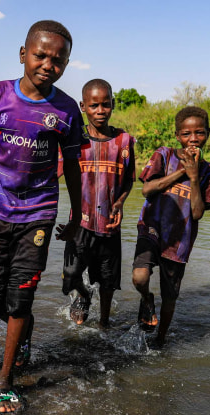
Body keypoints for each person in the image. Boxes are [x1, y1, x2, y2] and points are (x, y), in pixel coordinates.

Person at [0, 20, 83, 413]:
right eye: (41, 55)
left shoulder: (65, 110)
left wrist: (77, 214)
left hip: (39, 213)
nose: (48, 65)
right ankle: (21, 329)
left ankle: (5, 379)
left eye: (58, 60)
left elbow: (73, 167)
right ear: (23, 53)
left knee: (20, 296)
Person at [132, 106, 210, 346]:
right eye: (186, 134)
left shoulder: (209, 172)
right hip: (152, 227)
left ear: (208, 134)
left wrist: (193, 177)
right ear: (177, 135)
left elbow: (197, 213)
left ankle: (160, 341)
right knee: (140, 277)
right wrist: (182, 170)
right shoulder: (164, 155)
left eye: (200, 133)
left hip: (179, 241)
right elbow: (147, 190)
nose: (193, 139)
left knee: (170, 297)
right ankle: (147, 299)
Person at [60, 79, 136, 328]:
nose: (100, 111)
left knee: (108, 280)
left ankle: (104, 323)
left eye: (105, 104)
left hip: (109, 224)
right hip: (79, 224)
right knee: (70, 276)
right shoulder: (74, 141)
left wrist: (121, 203)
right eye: (94, 106)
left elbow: (127, 181)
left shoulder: (124, 142)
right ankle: (82, 294)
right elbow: (52, 174)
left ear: (113, 104)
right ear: (83, 106)